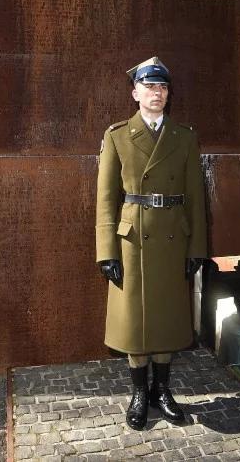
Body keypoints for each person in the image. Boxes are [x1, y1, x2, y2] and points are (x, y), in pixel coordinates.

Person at [96, 57, 208, 430]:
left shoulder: (184, 136)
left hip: (172, 238)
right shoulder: (116, 136)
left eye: (161, 87)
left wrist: (197, 249)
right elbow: (107, 199)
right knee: (136, 322)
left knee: (167, 318)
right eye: (148, 87)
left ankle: (163, 391)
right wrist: (106, 250)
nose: (155, 93)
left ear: (167, 94)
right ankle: (139, 394)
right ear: (135, 93)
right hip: (133, 242)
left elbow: (195, 196)